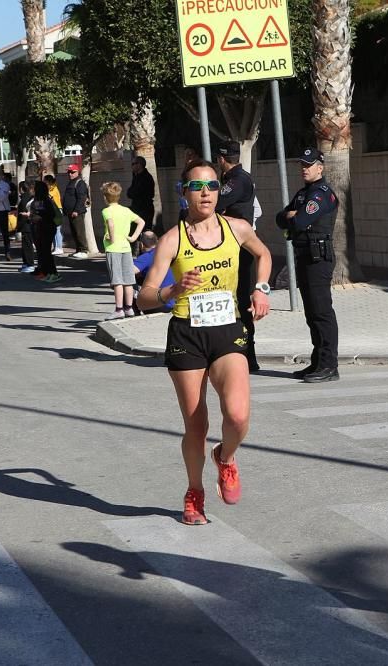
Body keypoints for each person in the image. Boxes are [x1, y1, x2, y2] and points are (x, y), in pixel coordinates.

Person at [137, 160, 272, 526]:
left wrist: (261, 289)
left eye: (212, 186)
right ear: (185, 194)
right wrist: (172, 289)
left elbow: (264, 254)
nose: (206, 193)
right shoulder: (172, 239)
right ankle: (194, 492)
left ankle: (225, 459)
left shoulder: (238, 228)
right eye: (198, 187)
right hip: (187, 332)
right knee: (196, 426)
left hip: (227, 328)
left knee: (239, 415)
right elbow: (144, 297)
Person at [275, 147, 341, 383]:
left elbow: (300, 220)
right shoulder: (304, 194)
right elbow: (279, 218)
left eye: (309, 165)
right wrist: (290, 216)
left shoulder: (321, 194)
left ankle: (329, 365)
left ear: (320, 167)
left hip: (318, 259)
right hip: (304, 256)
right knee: (312, 314)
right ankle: (317, 361)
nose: (304, 169)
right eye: (302, 164)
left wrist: (293, 216)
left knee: (321, 312)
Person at [216, 140, 260, 373]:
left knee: (240, 301)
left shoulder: (237, 180)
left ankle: (248, 355)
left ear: (222, 159)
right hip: (232, 246)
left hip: (240, 247)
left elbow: (217, 203)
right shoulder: (238, 177)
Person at [100, 181, 146, 319]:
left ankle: (119, 309)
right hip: (126, 248)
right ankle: (129, 308)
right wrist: (133, 238)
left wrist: (111, 238)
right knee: (128, 280)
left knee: (117, 280)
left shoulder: (106, 211)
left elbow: (111, 224)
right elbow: (141, 222)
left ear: (105, 197)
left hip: (113, 248)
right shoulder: (126, 210)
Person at [133, 230, 175, 314]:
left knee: (126, 283)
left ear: (141, 245)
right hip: (175, 301)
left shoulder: (146, 257)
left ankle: (131, 312)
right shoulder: (168, 253)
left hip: (159, 304)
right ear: (157, 241)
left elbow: (127, 273)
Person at [30, 180, 61, 283]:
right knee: (43, 251)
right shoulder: (38, 200)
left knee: (47, 252)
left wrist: (39, 216)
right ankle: (47, 272)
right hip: (41, 228)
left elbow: (50, 214)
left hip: (47, 228)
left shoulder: (46, 200)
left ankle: (54, 273)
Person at [62, 165, 90, 258]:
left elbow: (81, 198)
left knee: (79, 232)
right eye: (69, 172)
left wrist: (76, 210)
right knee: (74, 232)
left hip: (76, 212)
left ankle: (83, 250)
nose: (70, 174)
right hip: (70, 212)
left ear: (78, 172)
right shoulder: (71, 182)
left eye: (72, 172)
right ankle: (78, 250)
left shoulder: (79, 183)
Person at [127, 155, 156, 232]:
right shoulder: (136, 177)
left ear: (139, 165)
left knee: (145, 232)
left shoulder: (146, 178)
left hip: (144, 209)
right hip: (137, 208)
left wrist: (132, 192)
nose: (132, 166)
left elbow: (136, 192)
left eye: (133, 164)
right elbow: (129, 192)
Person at [15, 181, 36, 273]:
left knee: (28, 246)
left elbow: (23, 215)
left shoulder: (25, 199)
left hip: (27, 225)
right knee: (25, 246)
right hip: (27, 225)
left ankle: (30, 264)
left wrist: (18, 227)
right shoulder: (27, 198)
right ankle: (26, 263)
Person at [44, 174, 65, 256]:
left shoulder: (53, 189)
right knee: (53, 230)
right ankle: (56, 247)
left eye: (45, 181)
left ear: (48, 182)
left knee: (57, 230)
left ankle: (59, 247)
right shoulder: (50, 189)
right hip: (53, 210)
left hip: (57, 210)